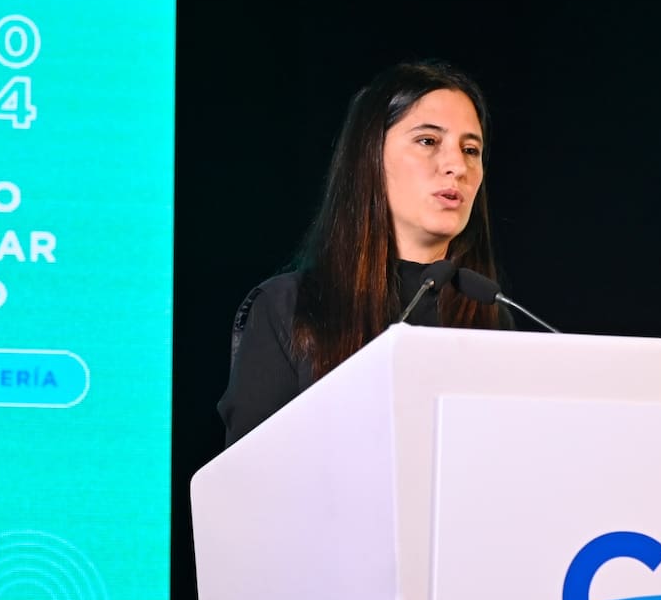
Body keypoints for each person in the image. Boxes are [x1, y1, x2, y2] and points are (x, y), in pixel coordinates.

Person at [217, 60, 509, 446]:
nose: (457, 166)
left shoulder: (491, 316)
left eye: (471, 149)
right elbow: (247, 485)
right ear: (369, 157)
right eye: (428, 141)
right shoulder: (289, 307)